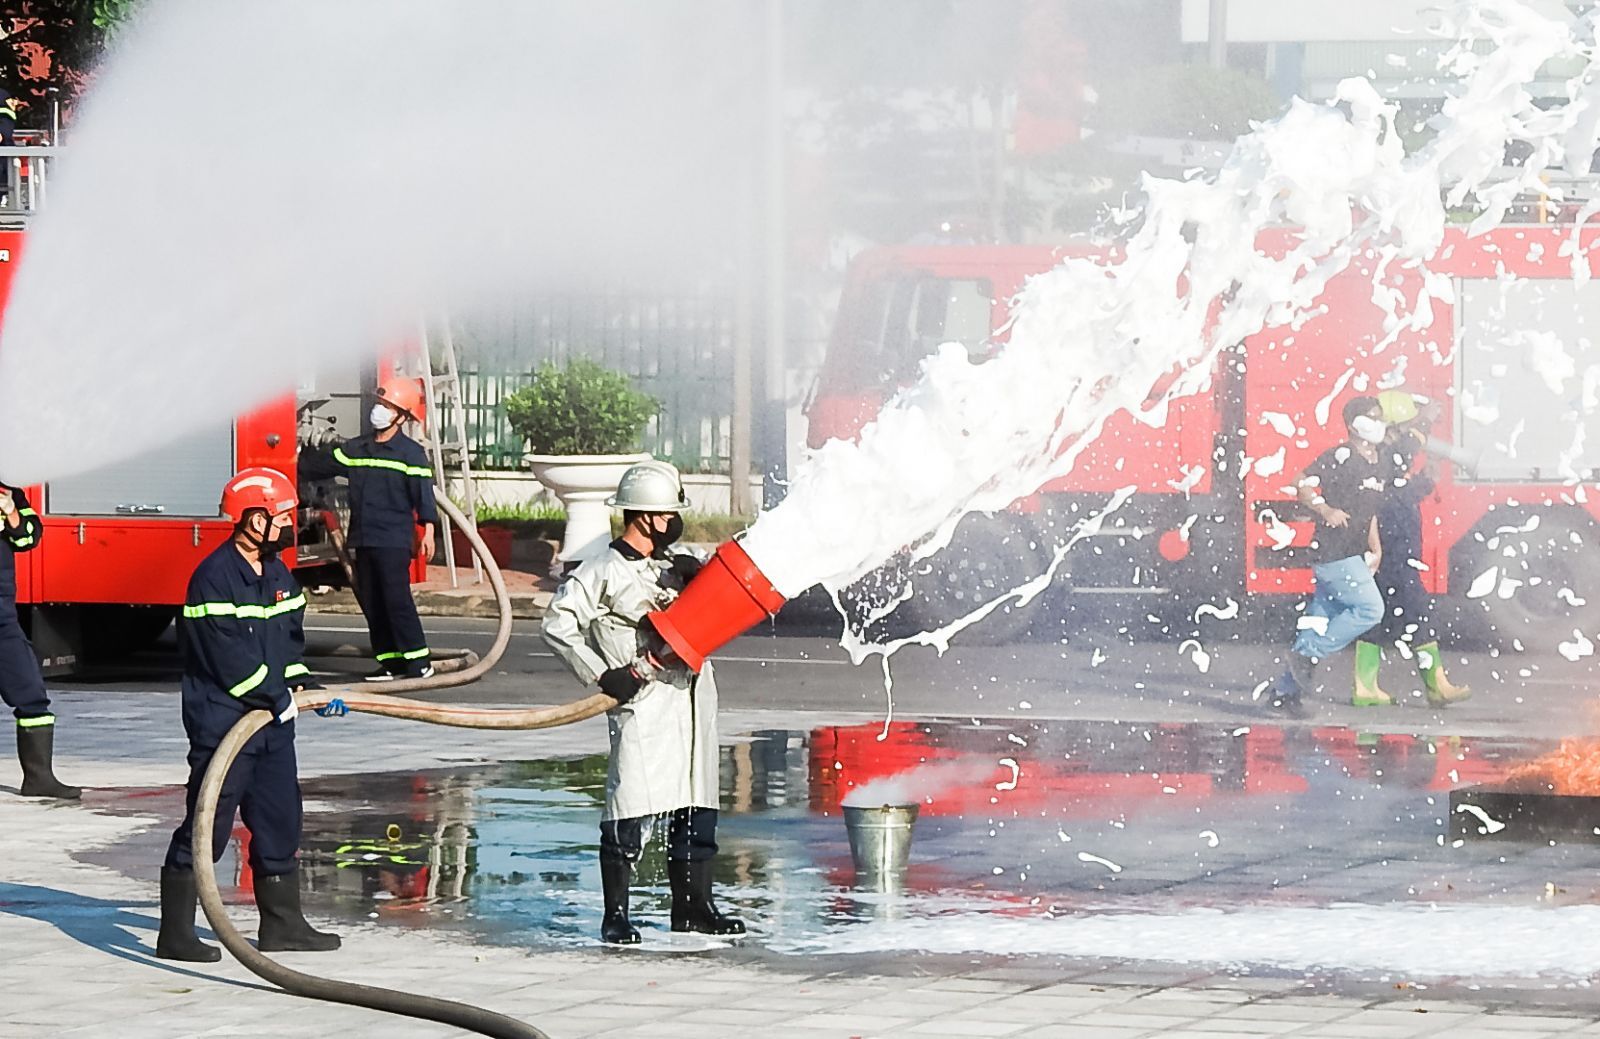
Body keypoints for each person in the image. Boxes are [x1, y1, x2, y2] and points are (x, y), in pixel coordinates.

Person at [542, 460, 745, 944]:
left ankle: (693, 908)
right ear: (648, 516)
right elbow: (557, 624)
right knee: (631, 803)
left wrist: (702, 577)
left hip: (692, 697)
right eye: (668, 513)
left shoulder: (676, 565)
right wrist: (601, 673)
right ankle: (616, 914)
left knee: (697, 804)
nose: (674, 521)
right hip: (643, 700)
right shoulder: (601, 570)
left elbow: (723, 586)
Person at [156, 468, 340, 962]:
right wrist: (276, 696)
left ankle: (283, 925)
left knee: (280, 818)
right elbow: (228, 661)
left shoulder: (278, 574)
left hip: (272, 726)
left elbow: (289, 642)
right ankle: (175, 933)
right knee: (208, 824)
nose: (290, 526)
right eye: (282, 517)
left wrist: (304, 685)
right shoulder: (213, 579)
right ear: (255, 520)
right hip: (224, 723)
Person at [301, 377, 438, 681]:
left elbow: (424, 497)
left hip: (393, 540)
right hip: (364, 537)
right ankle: (391, 662)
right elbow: (324, 464)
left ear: (401, 416)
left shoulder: (410, 454)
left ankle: (419, 662)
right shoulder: (358, 448)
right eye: (380, 403)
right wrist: (290, 459)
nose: (379, 410)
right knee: (373, 601)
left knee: (396, 600)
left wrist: (428, 531)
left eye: (388, 406)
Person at [1271, 396, 1391, 717]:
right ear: (1353, 423)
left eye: (1380, 416)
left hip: (1354, 552)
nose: (1379, 422)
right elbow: (1299, 483)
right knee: (1370, 609)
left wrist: (1376, 548)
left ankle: (1284, 693)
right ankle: (1308, 655)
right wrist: (1324, 509)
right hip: (1333, 551)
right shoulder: (1340, 456)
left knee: (1318, 622)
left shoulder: (1378, 462)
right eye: (1372, 416)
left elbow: (1370, 511)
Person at [1351, 389, 1471, 707]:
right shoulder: (1384, 455)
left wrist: (1428, 475)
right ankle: (1436, 686)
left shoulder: (1386, 459)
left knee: (1378, 615)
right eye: (1403, 427)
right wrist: (1424, 423)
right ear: (1391, 429)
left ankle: (1365, 688)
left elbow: (1405, 490)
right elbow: (1399, 474)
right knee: (1418, 612)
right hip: (1394, 551)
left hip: (1393, 549)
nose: (1407, 434)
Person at [0, 482, 78, 799]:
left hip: (2, 617)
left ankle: (39, 779)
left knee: (31, 693)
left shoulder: (9, 491)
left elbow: (29, 538)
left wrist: (11, 512)